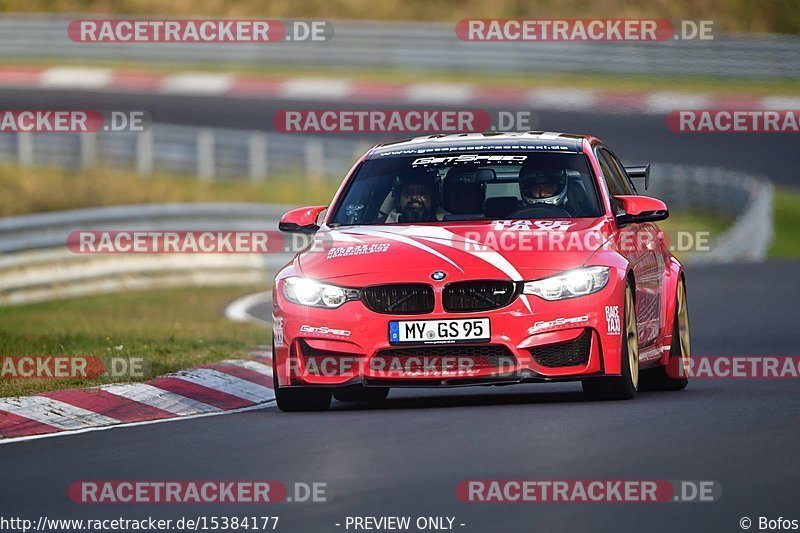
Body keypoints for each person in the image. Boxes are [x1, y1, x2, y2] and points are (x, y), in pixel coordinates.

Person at [384, 167, 448, 223]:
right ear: (398, 198)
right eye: (408, 192)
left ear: (432, 198)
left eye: (422, 192)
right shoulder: (378, 228)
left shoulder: (452, 223)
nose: (414, 197)